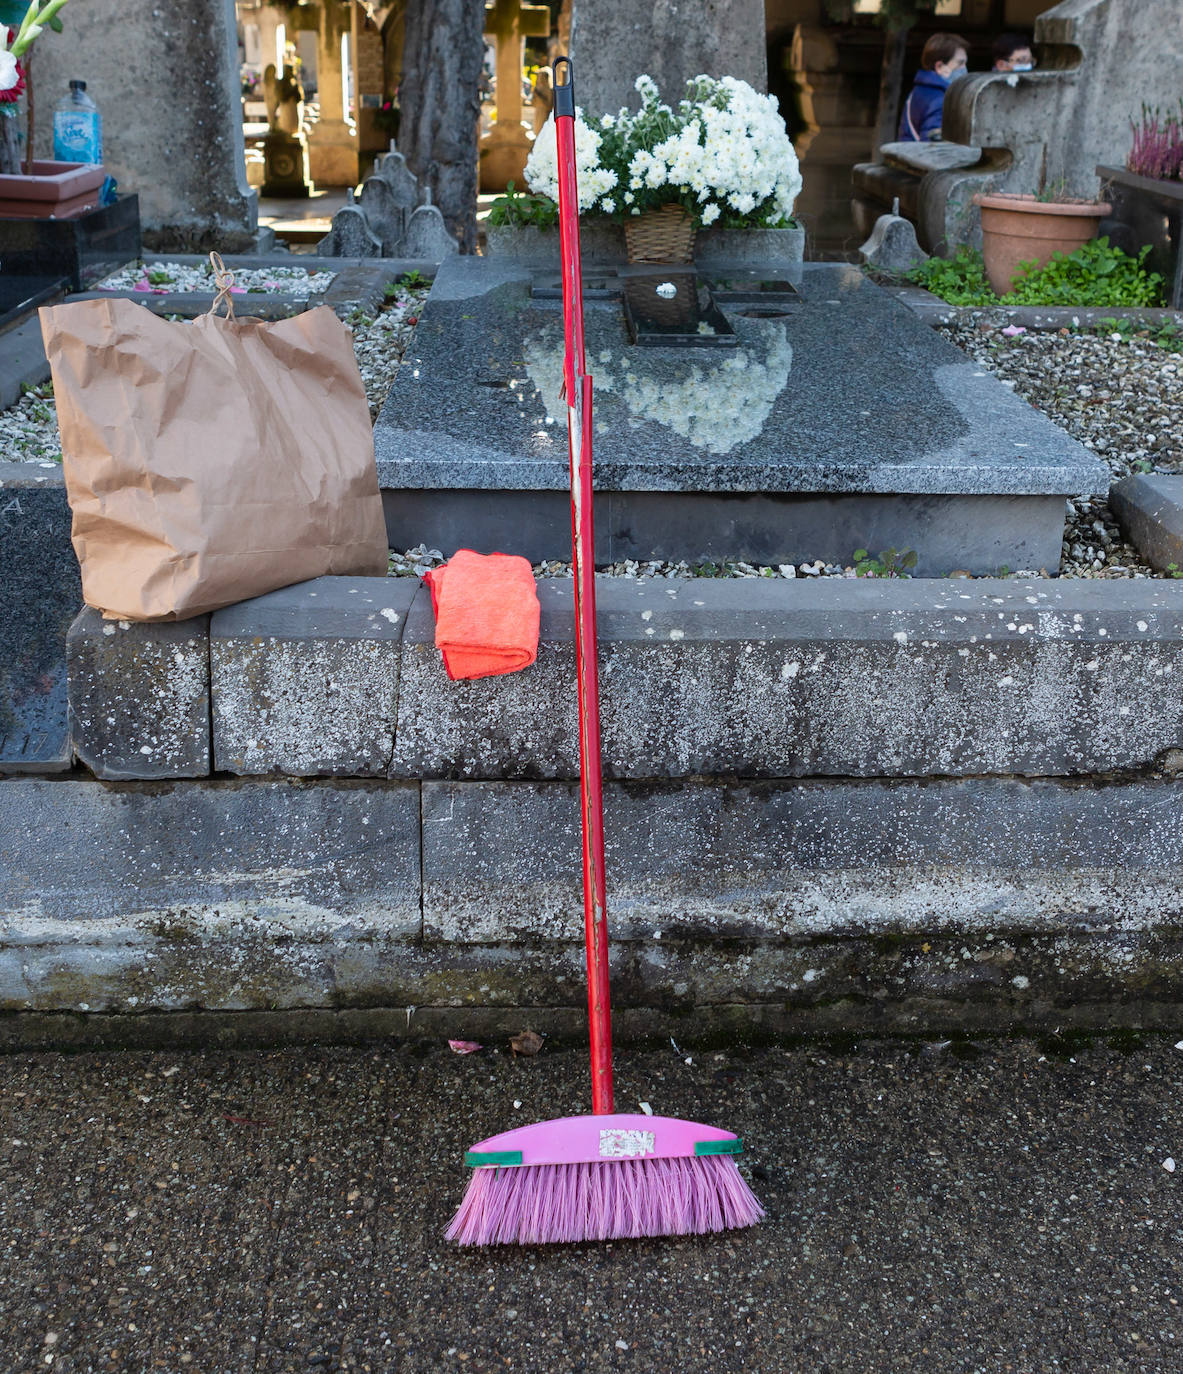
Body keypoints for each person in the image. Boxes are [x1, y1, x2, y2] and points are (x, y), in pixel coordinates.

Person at [898, 33, 969, 142]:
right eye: (960, 63)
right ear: (940, 67)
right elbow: (933, 149)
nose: (964, 69)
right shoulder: (940, 100)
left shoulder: (919, 90)